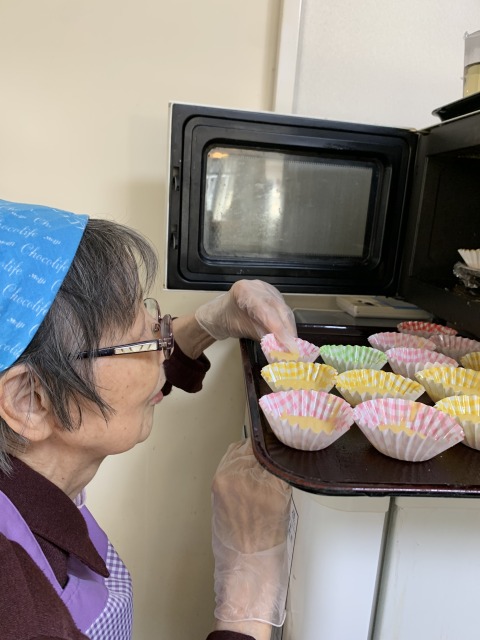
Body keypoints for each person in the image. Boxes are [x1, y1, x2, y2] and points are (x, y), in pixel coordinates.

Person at [0, 199, 296, 640]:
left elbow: (110, 374)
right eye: (143, 339)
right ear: (29, 400)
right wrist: (246, 593)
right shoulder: (18, 612)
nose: (162, 351)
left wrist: (210, 324)